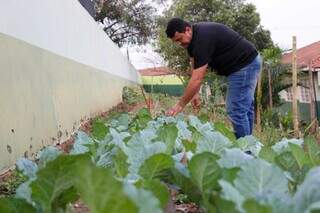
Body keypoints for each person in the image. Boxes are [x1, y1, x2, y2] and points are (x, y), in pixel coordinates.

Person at [165, 18, 262, 139]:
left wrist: (180, 105)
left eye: (179, 39)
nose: (180, 43)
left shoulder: (202, 38)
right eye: (176, 42)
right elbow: (194, 65)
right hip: (244, 64)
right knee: (244, 108)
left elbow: (197, 79)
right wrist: (195, 94)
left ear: (188, 29)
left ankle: (246, 152)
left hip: (245, 65)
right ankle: (249, 144)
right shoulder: (191, 41)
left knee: (236, 109)